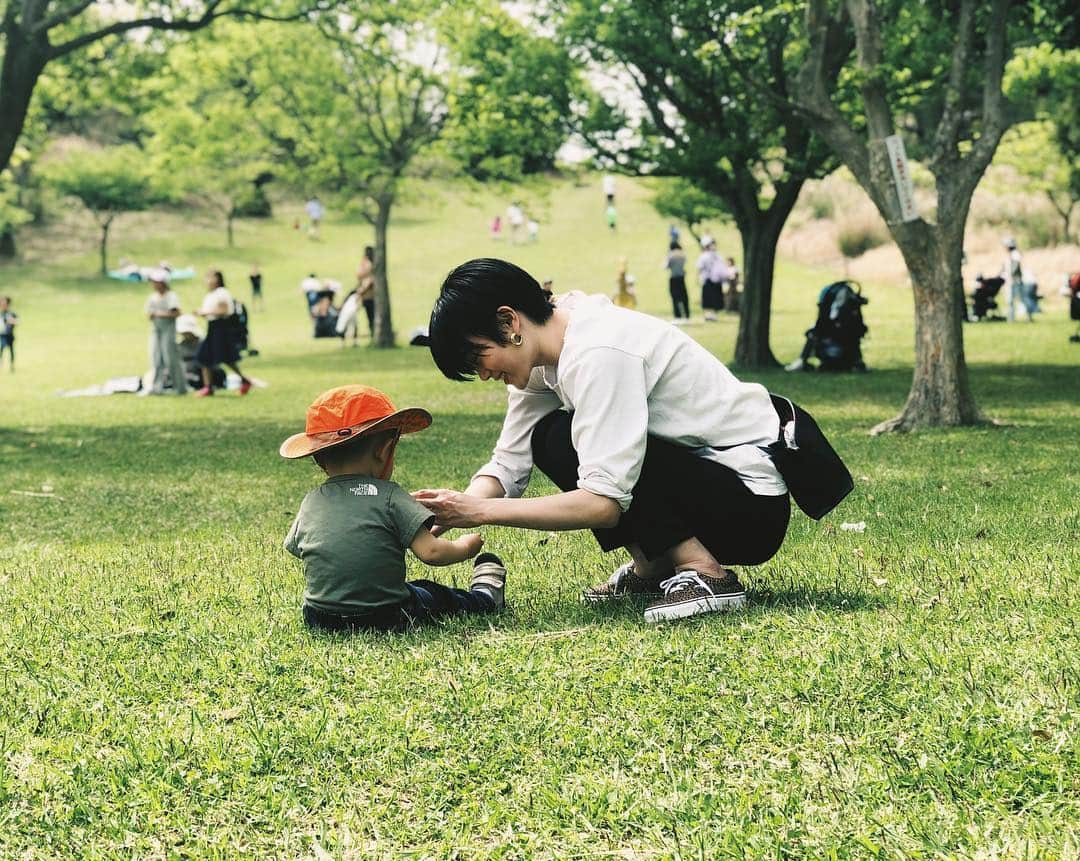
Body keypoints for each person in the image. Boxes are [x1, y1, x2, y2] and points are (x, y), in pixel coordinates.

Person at [420, 258, 796, 624]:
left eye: (478, 356)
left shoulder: (598, 351)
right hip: (706, 485)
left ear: (509, 321)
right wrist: (444, 514)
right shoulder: (545, 352)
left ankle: (705, 572)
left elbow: (603, 504)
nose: (483, 375)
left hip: (749, 506)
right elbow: (508, 464)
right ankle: (654, 568)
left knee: (565, 440)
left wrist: (476, 512)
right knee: (551, 436)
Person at [280, 384, 508, 634]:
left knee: (412, 588)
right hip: (386, 615)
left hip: (320, 617)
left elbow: (299, 548)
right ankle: (486, 598)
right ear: (384, 451)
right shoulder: (389, 496)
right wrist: (466, 547)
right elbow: (431, 552)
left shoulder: (312, 500)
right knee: (434, 595)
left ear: (320, 460)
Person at [194, 270, 252, 397]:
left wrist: (205, 312)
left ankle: (245, 380)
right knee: (204, 357)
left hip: (221, 327)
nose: (208, 280)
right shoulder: (211, 295)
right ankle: (208, 387)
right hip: (212, 326)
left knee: (226, 358)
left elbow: (224, 310)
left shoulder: (222, 293)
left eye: (211, 277)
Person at [141, 269, 188, 396]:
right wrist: (152, 315)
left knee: (171, 358)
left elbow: (177, 312)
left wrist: (159, 314)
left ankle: (180, 387)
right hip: (156, 329)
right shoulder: (153, 297)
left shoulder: (171, 296)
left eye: (157, 282)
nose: (154, 284)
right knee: (156, 358)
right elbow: (148, 313)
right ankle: (157, 387)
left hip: (168, 330)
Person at [696, 238, 726, 321]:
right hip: (714, 280)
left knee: (709, 298)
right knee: (713, 298)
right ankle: (712, 315)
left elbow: (699, 268)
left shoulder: (705, 256)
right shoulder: (718, 256)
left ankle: (710, 315)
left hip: (709, 280)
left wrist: (698, 278)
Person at [665, 241, 689, 322]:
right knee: (684, 297)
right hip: (682, 278)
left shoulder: (671, 255)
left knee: (675, 297)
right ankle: (686, 315)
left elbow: (666, 266)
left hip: (674, 278)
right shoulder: (682, 255)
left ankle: (677, 316)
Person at [356, 246, 376, 337]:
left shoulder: (365, 264)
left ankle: (374, 333)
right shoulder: (368, 264)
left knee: (371, 316)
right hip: (369, 295)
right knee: (371, 316)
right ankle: (373, 333)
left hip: (368, 295)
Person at [1003, 237, 1023, 322]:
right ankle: (1011, 317)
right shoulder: (1011, 254)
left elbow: (1015, 266)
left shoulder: (1015, 254)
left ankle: (1011, 318)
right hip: (1011, 280)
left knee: (1013, 300)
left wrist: (1010, 275)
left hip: (1014, 281)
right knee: (1010, 301)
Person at [0, 296, 18, 372]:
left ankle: (12, 365)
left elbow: (16, 321)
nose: (2, 304)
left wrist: (9, 320)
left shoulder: (11, 313)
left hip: (9, 335)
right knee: (1, 349)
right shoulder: (1, 314)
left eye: (4, 303)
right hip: (2, 335)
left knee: (11, 350)